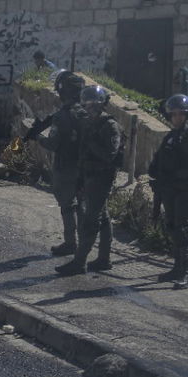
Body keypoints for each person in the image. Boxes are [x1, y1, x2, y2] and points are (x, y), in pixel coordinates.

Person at [57, 84, 121, 275]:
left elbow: (109, 155)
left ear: (102, 105)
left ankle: (79, 262)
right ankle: (103, 259)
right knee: (103, 217)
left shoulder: (109, 125)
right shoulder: (89, 123)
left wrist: (92, 142)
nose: (90, 109)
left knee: (91, 221)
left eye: (94, 106)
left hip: (102, 177)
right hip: (88, 176)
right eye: (88, 105)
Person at [147, 93, 188, 289]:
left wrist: (178, 175)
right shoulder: (172, 136)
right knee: (172, 226)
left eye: (180, 114)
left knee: (182, 229)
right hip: (169, 188)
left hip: (185, 188)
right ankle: (177, 268)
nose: (176, 118)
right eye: (173, 115)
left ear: (187, 115)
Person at [25, 70, 86, 256]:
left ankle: (70, 243)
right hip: (84, 166)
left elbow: (53, 143)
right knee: (83, 205)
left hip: (65, 166)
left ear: (62, 92)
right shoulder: (85, 113)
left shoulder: (61, 116)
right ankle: (85, 243)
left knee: (67, 206)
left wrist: (37, 137)